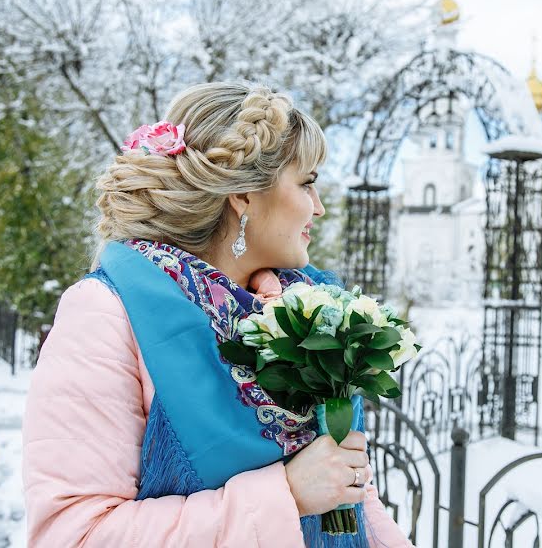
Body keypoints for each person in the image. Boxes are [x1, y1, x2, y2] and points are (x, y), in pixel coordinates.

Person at [22, 82, 413, 547]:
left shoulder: (311, 311)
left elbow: (352, 496)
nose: (320, 207)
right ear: (244, 195)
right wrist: (285, 496)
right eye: (307, 183)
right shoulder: (108, 313)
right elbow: (72, 535)